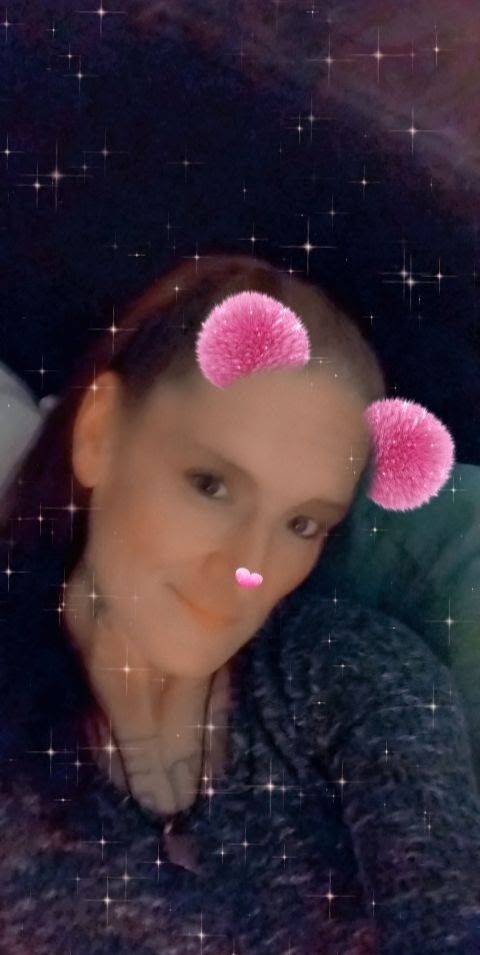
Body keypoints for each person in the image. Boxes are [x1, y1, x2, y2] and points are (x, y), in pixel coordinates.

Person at [0, 253, 479, 954]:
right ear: (99, 433)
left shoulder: (357, 679)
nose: (249, 566)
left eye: (302, 523)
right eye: (211, 485)